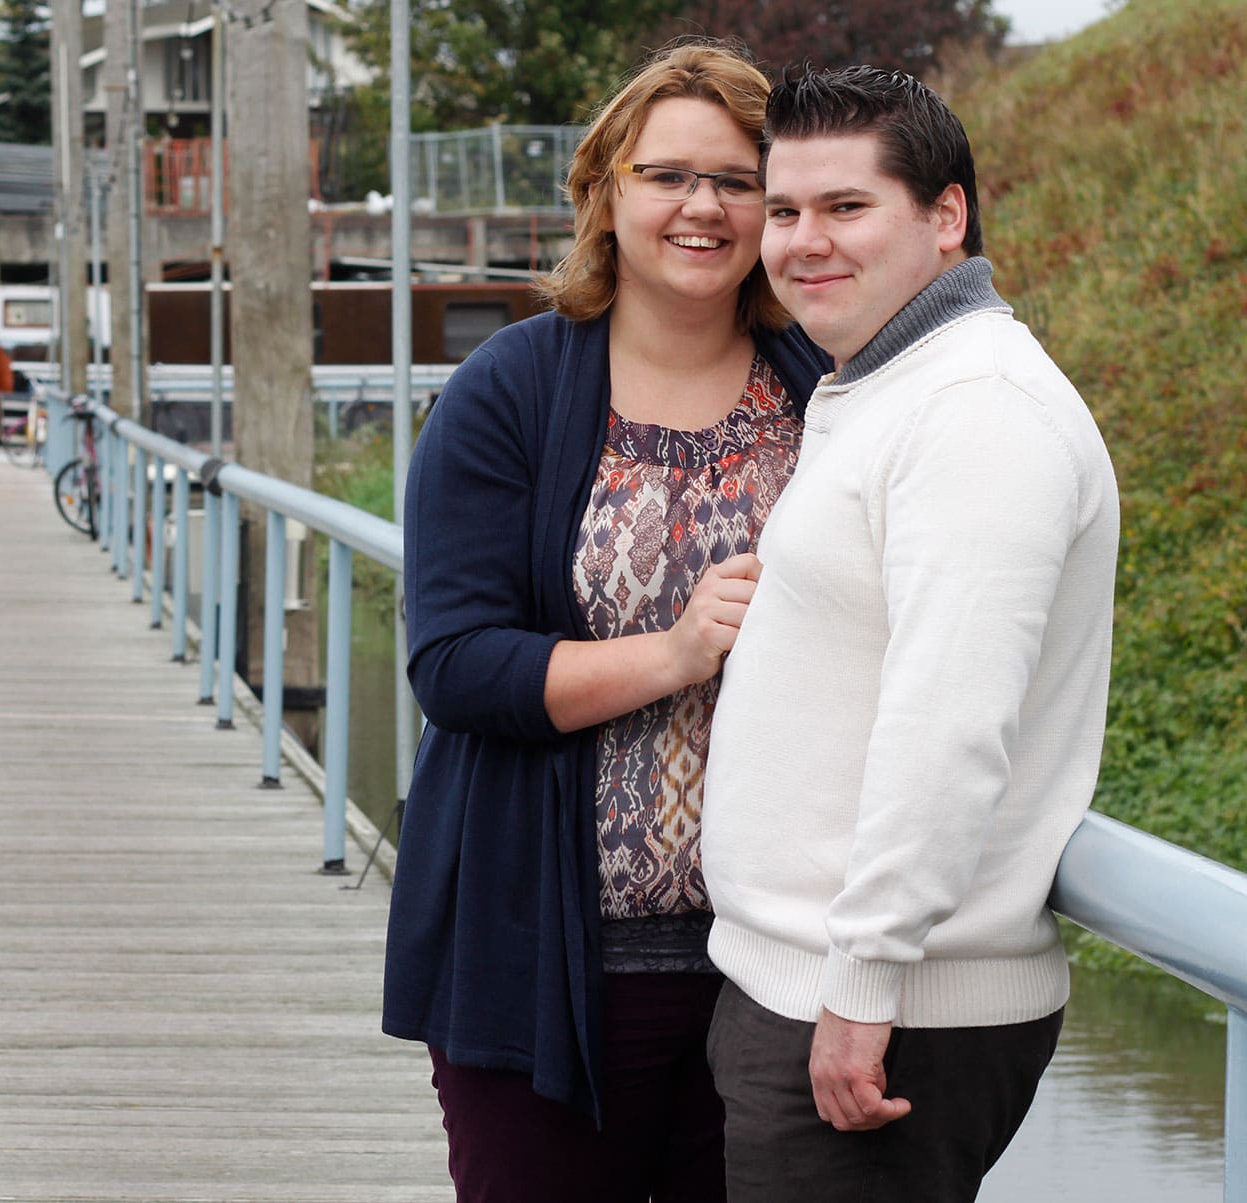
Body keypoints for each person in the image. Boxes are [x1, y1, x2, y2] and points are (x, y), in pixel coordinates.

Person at [381, 39, 830, 1203]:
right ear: (605, 192)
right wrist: (675, 653)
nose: (703, 207)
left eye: (739, 182)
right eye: (666, 174)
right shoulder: (509, 390)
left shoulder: (824, 394)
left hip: (768, 970)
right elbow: (456, 665)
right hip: (544, 951)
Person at [699, 65, 1121, 1202]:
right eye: (783, 211)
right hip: (803, 989)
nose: (800, 243)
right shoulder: (885, 386)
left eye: (846, 208)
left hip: (878, 1020)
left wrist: (863, 987)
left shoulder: (976, 411)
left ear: (944, 217)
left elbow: (947, 720)